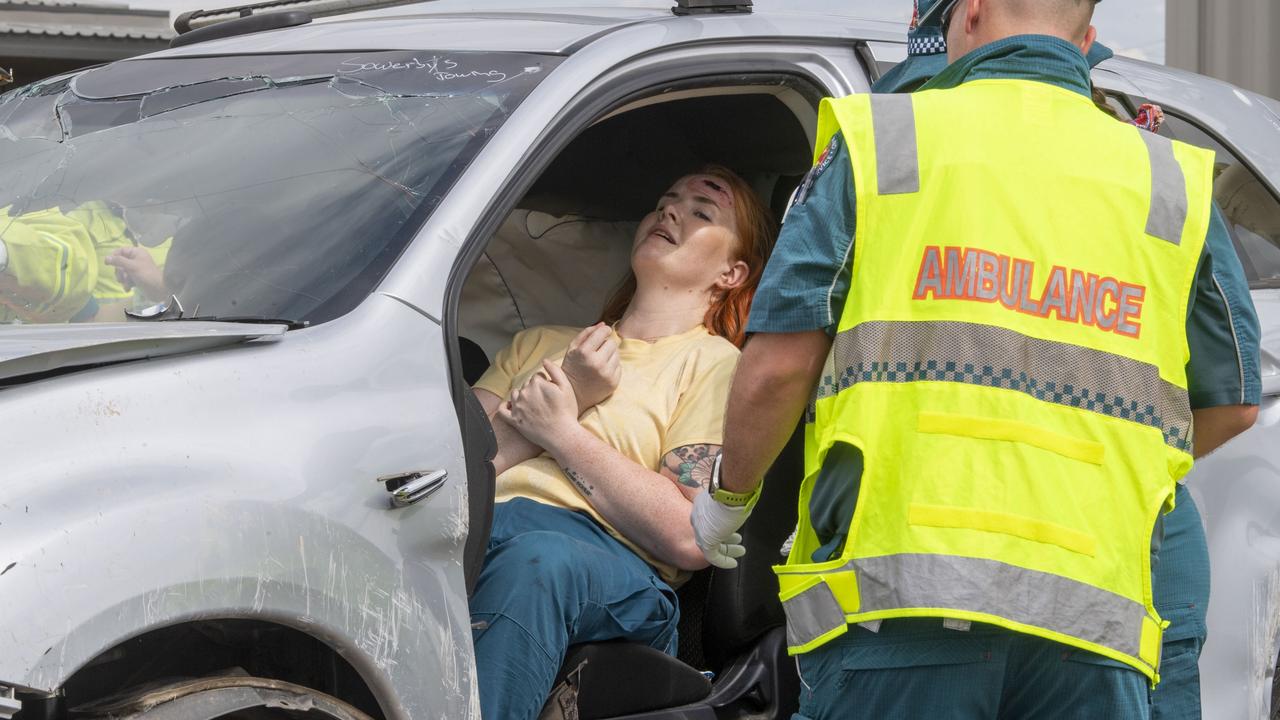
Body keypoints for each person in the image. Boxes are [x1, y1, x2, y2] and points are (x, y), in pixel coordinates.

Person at [689, 1, 1262, 718]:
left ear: (971, 12)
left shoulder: (889, 139)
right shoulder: (1166, 177)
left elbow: (778, 367)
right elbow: (1233, 400)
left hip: (904, 608)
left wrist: (726, 500)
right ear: (1086, 41)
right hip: (1092, 627)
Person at [873, 10, 1250, 719]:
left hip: (1124, 570)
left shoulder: (1148, 177)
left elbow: (1230, 396)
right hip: (1013, 577)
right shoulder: (921, 177)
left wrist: (1122, 471)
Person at [468, 165, 776, 720]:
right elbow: (451, 478)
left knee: (538, 562)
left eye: (702, 211)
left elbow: (688, 536)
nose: (671, 211)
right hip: (479, 528)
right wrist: (576, 393)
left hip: (604, 566)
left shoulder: (713, 363)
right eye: (665, 200)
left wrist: (563, 433)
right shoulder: (538, 341)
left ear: (732, 273)